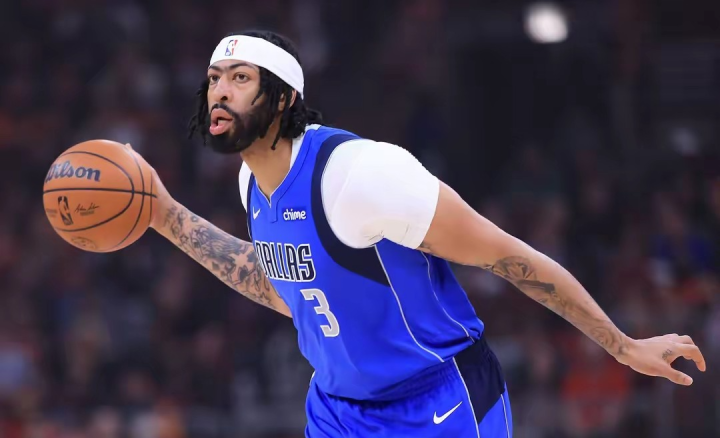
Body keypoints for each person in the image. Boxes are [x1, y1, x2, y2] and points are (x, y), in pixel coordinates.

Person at [130, 30, 706, 437]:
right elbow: (288, 288)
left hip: (436, 400)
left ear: (282, 99)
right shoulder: (251, 184)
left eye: (239, 78)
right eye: (214, 78)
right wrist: (166, 216)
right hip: (338, 411)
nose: (219, 91)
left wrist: (622, 345)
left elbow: (507, 256)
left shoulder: (359, 174)